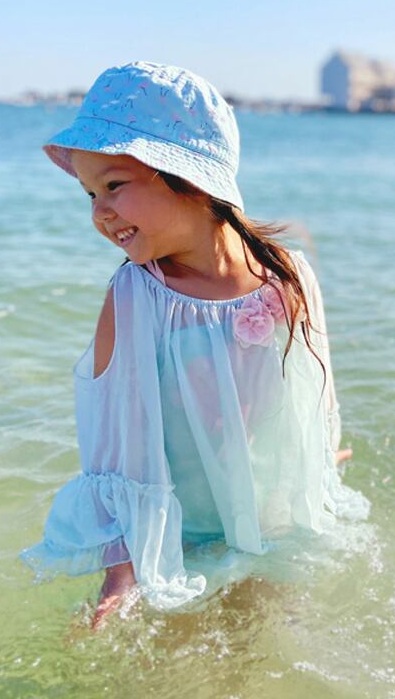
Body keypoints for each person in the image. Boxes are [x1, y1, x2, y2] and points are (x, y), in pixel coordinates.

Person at [20, 61, 369, 629]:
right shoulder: (137, 297)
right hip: (176, 535)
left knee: (264, 647)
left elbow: (313, 388)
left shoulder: (288, 277)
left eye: (113, 186)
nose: (99, 212)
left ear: (190, 178)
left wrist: (318, 461)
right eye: (89, 193)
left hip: (267, 517)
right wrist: (123, 566)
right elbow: (116, 444)